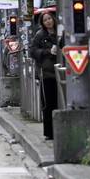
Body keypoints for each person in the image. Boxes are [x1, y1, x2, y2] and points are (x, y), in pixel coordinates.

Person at [30, 11, 60, 139]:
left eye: (49, 19)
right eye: (45, 20)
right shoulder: (40, 35)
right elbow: (33, 51)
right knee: (48, 103)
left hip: (61, 72)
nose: (48, 21)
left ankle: (60, 131)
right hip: (47, 73)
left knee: (60, 102)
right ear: (42, 23)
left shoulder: (60, 32)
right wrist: (47, 51)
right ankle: (49, 132)